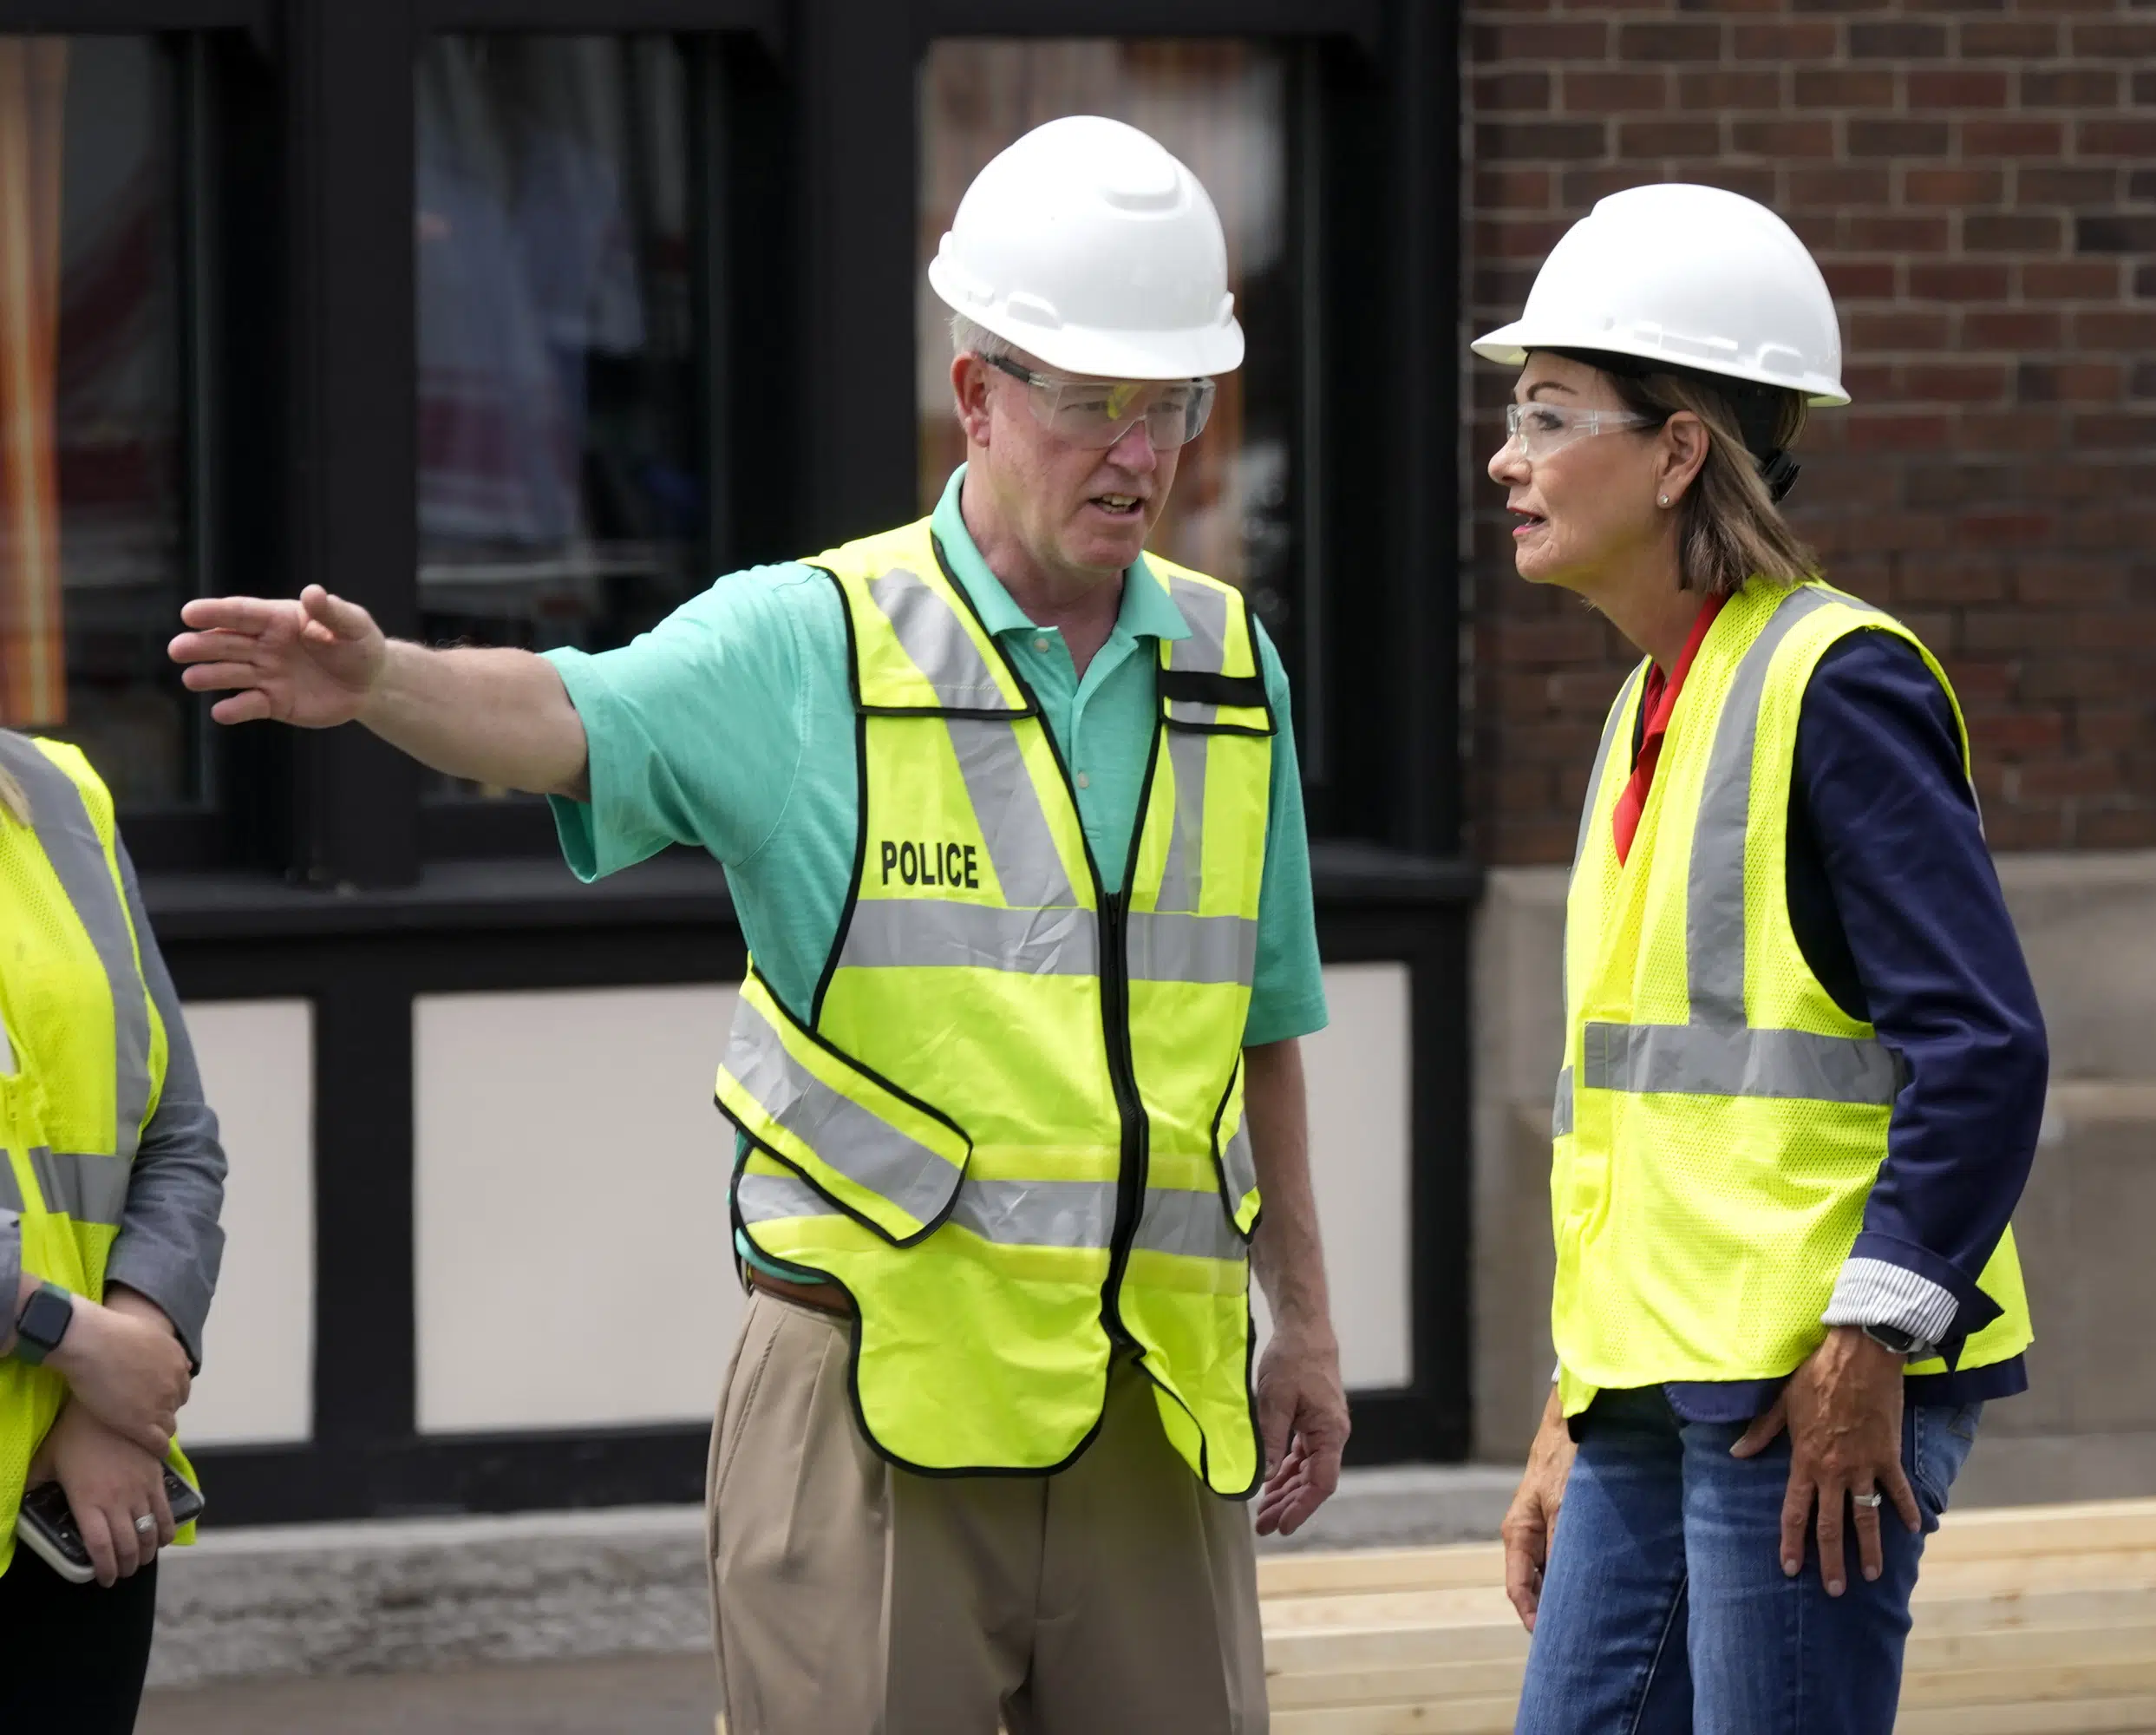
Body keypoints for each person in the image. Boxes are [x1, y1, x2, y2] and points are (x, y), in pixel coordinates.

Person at [169, 114, 1344, 1734]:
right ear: (979, 396)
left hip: (1159, 1410)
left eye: (1175, 408)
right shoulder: (815, 642)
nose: (1141, 455)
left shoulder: (1232, 668)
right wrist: (382, 685)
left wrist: (1312, 1328)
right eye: (1092, 406)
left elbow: (1262, 1029)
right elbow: (568, 712)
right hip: (875, 1403)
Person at [1481, 184, 2045, 1734]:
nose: (1504, 459)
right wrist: (1569, 1408)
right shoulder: (1650, 703)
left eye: (1545, 413)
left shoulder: (1833, 684)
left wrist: (1868, 1344)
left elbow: (1986, 1047)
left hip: (1810, 1393)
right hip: (1657, 1397)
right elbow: (1641, 1125)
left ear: (1677, 453)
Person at [1, 730, 228, 1731]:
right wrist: (79, 1342)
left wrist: (117, 1390)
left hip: (77, 1496)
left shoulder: (58, 791)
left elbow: (177, 1136)